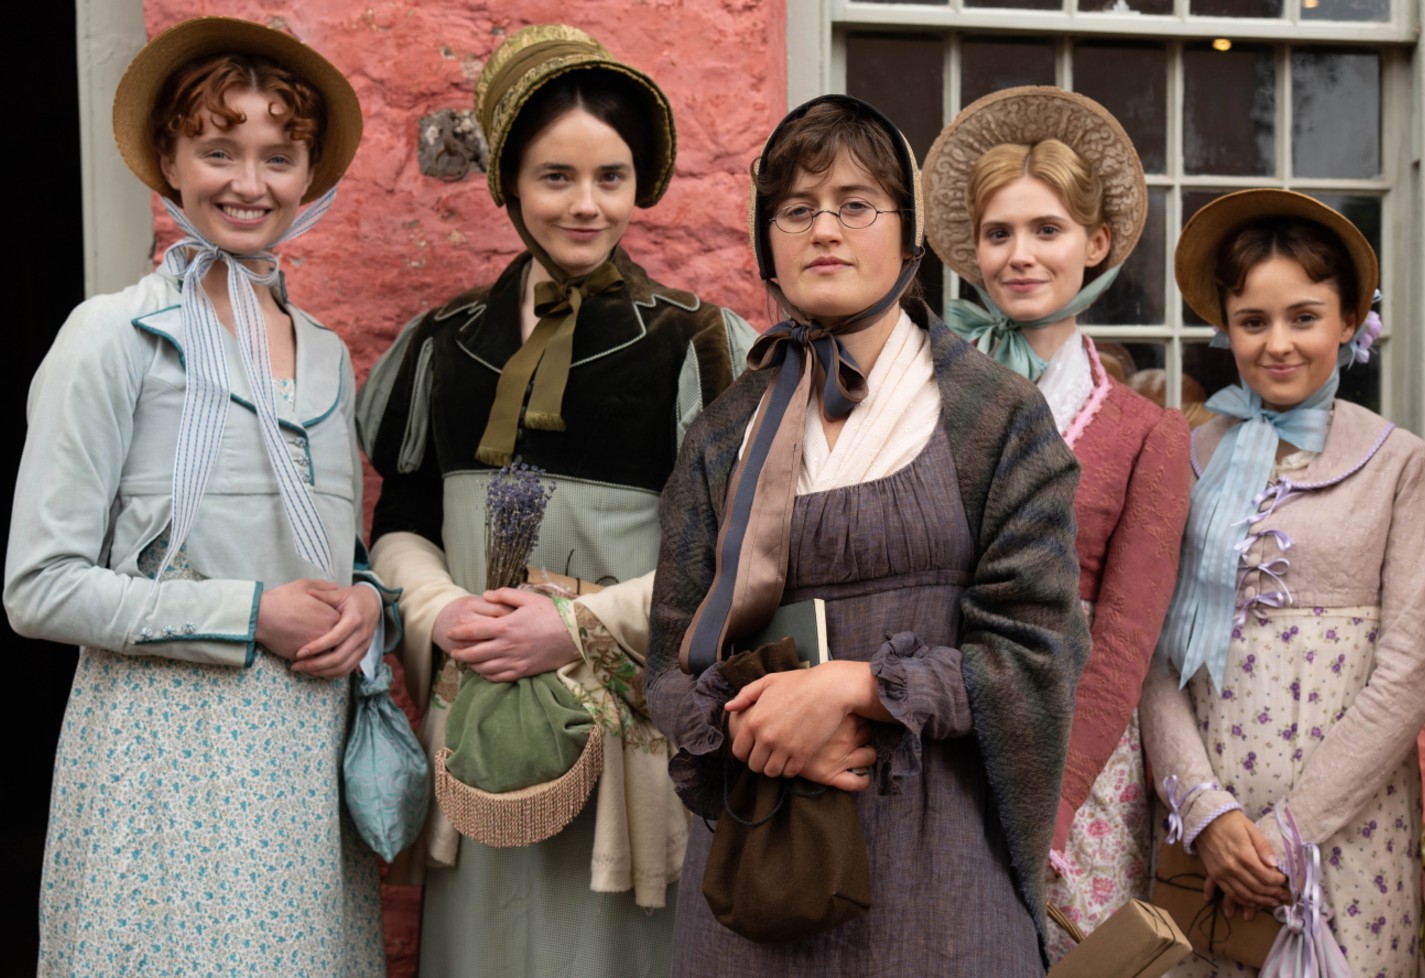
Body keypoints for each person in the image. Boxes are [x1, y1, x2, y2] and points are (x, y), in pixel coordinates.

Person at [644, 94, 1088, 975]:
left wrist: (858, 689)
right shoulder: (725, 433)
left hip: (940, 871)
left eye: (856, 204)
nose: (825, 231)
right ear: (766, 238)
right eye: (797, 209)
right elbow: (668, 664)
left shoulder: (995, 418)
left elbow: (1038, 651)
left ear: (909, 232)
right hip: (763, 863)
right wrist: (759, 727)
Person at [355, 25, 754, 978]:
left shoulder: (696, 347)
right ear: (509, 186)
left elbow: (743, 552)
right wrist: (447, 613)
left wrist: (577, 627)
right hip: (476, 726)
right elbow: (400, 520)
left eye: (611, 178)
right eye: (556, 177)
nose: (587, 205)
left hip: (628, 750)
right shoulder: (440, 344)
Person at [5, 17, 386, 976]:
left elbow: (335, 561)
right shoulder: (111, 339)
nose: (248, 183)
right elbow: (40, 587)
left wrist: (367, 602)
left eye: (278, 156)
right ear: (169, 162)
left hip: (300, 761)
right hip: (161, 758)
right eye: (218, 150)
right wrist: (254, 613)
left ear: (309, 173)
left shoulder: (329, 356)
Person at [1140, 190, 1425, 977]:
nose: (1278, 344)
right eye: (1254, 322)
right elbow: (1149, 651)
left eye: (1304, 318)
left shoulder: (1402, 466)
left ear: (1350, 321)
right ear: (1227, 328)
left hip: (1349, 832)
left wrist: (1290, 830)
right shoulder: (1182, 455)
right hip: (1205, 841)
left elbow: (1412, 671)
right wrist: (1206, 812)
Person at [921, 85, 1191, 957]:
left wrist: (1055, 794)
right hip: (932, 727)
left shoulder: (1147, 432)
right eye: (999, 234)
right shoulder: (920, 399)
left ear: (1096, 243)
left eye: (1047, 231)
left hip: (1078, 758)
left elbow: (1123, 639)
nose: (1020, 256)